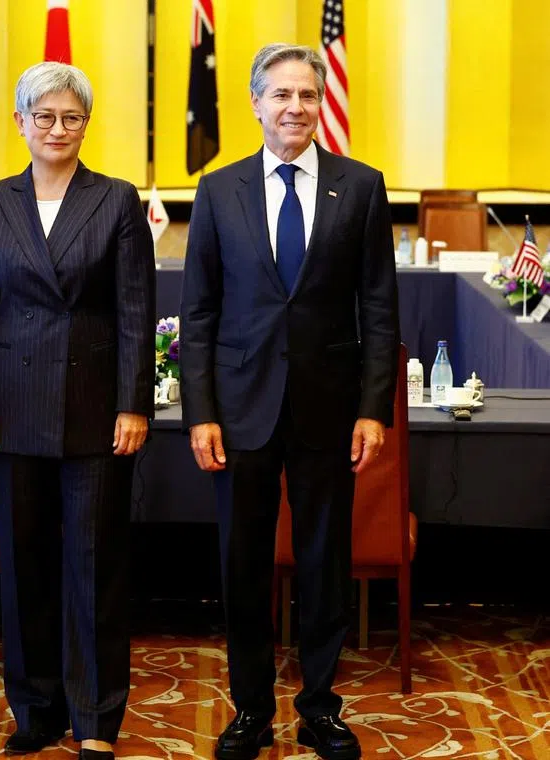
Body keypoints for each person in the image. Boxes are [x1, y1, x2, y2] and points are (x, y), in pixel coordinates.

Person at [179, 44, 400, 760]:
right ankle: (249, 710)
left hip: (329, 412)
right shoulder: (219, 190)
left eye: (307, 95)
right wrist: (201, 412)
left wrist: (373, 409)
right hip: (240, 412)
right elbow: (200, 313)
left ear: (320, 104)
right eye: (281, 95)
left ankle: (320, 707)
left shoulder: (361, 187)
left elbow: (379, 308)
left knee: (323, 565)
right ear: (256, 103)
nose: (296, 108)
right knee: (241, 566)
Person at [0, 62, 155, 760]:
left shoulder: (117, 200)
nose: (57, 129)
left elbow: (136, 311)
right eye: (43, 116)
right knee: (24, 567)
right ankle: (35, 711)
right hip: (10, 408)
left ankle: (96, 718)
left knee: (94, 568)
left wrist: (135, 403)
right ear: (20, 123)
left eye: (71, 117)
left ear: (86, 125)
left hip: (98, 411)